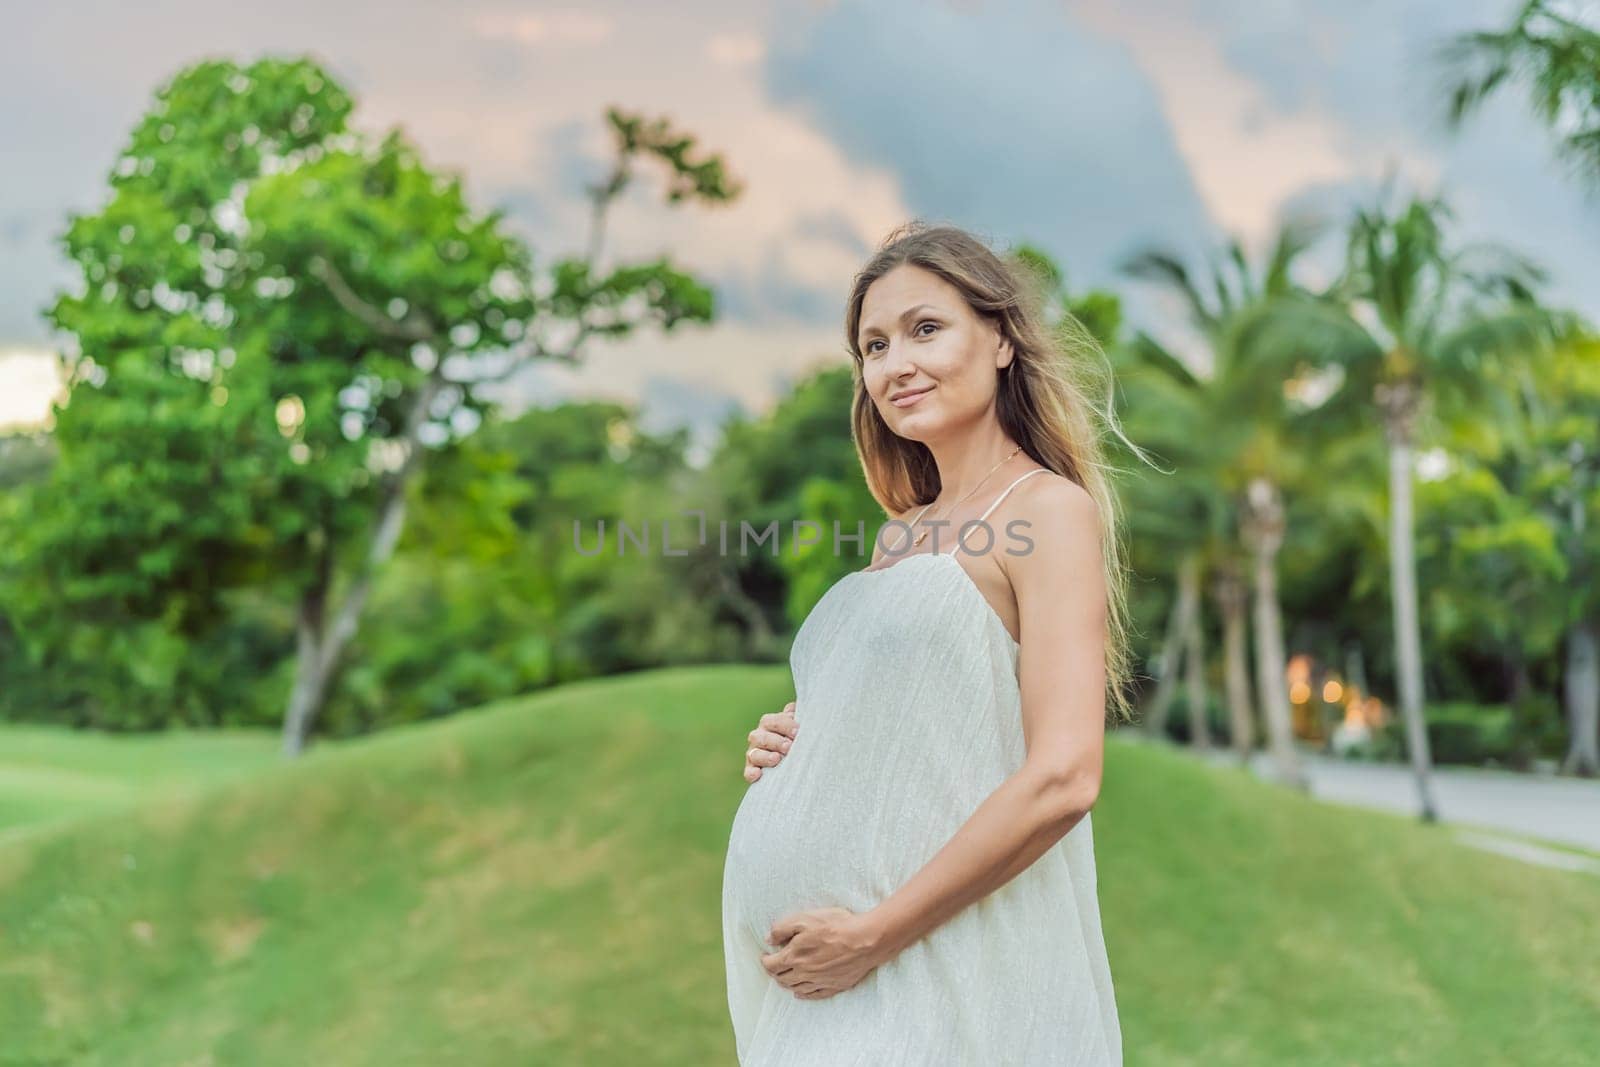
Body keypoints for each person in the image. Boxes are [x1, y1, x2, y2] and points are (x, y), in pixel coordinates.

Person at [720, 221, 1139, 1065]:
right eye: (873, 345)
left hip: (924, 969)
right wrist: (798, 740)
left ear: (1001, 341)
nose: (894, 363)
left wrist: (874, 934)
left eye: (925, 328)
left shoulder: (1045, 511)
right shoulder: (899, 539)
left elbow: (1064, 776)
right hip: (829, 983)